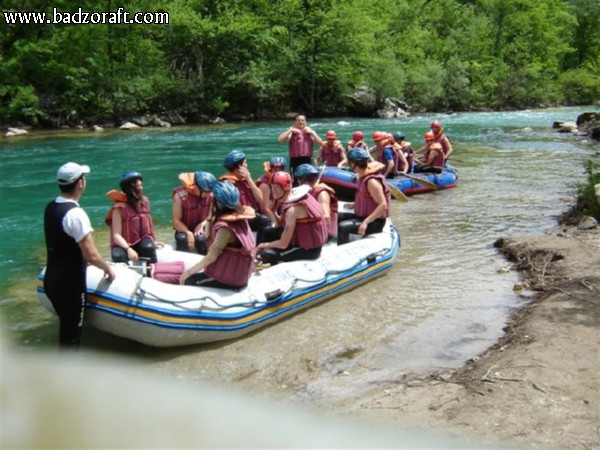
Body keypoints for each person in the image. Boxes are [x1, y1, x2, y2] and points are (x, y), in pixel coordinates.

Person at [44, 162, 116, 349]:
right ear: (80, 183)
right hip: (69, 285)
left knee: (66, 330)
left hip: (51, 280)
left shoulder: (51, 206)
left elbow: (63, 245)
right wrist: (108, 269)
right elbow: (91, 254)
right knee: (71, 338)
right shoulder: (75, 214)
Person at [180, 181, 256, 289]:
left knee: (188, 280)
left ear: (218, 203)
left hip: (229, 279)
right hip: (240, 274)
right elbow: (208, 237)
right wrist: (210, 217)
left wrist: (187, 273)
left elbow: (211, 256)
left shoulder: (225, 228)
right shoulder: (241, 218)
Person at [256, 171, 328, 265]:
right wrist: (272, 211)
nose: (273, 191)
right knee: (266, 231)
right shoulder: (291, 196)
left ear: (285, 187)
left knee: (268, 254)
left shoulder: (293, 210)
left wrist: (262, 245)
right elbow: (279, 225)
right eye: (272, 187)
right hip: (296, 239)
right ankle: (257, 255)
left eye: (276, 187)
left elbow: (283, 244)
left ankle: (267, 264)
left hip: (308, 250)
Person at [105, 171, 163, 264]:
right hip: (123, 245)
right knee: (118, 255)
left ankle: (151, 272)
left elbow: (148, 226)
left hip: (140, 241)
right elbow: (116, 235)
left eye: (141, 185)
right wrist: (128, 249)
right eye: (138, 186)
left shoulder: (144, 202)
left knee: (148, 247)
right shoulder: (119, 208)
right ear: (129, 188)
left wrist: (152, 242)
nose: (141, 188)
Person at [337, 148, 391, 246]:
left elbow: (383, 205)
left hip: (375, 222)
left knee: (343, 227)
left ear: (353, 163)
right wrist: (355, 204)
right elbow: (367, 197)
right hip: (361, 217)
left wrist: (365, 222)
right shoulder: (362, 176)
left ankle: (342, 250)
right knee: (336, 216)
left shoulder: (371, 182)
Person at [219, 150, 271, 242]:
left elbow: (260, 199)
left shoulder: (246, 180)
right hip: (239, 217)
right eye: (245, 163)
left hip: (251, 215)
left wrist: (249, 179)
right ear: (240, 166)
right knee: (264, 221)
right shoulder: (227, 184)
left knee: (264, 220)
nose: (247, 166)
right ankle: (258, 250)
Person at [172, 170, 216, 254]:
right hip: (183, 228)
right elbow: (176, 221)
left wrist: (202, 224)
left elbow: (211, 215)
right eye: (206, 192)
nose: (208, 195)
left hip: (201, 226)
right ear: (196, 187)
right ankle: (183, 263)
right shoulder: (179, 196)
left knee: (201, 239)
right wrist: (188, 233)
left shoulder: (211, 195)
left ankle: (204, 262)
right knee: (182, 239)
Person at [294, 163, 338, 239]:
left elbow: (326, 218)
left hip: (324, 231)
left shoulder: (321, 193)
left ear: (301, 180)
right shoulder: (305, 191)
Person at [277, 114, 323, 179]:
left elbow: (320, 143)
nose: (300, 122)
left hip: (306, 160)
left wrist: (313, 133)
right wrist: (289, 130)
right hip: (294, 160)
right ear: (295, 122)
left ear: (305, 122)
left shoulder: (310, 132)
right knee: (294, 179)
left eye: (302, 120)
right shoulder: (292, 131)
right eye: (298, 120)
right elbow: (280, 140)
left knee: (307, 178)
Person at [256, 156, 287, 223]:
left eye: (280, 169)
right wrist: (276, 222)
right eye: (275, 169)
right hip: (264, 217)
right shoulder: (265, 185)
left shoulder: (282, 182)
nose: (278, 172)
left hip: (275, 211)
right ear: (270, 169)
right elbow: (264, 209)